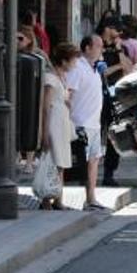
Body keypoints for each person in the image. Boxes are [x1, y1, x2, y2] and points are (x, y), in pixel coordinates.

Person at [67, 34, 107, 210]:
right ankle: (55, 197)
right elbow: (69, 94)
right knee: (79, 164)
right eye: (98, 46)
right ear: (87, 48)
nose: (101, 49)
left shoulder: (94, 69)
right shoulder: (78, 68)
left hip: (94, 123)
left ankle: (91, 198)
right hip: (81, 123)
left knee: (94, 160)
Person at [36, 43, 79, 210]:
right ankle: (47, 198)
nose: (75, 64)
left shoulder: (62, 78)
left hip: (62, 122)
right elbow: (45, 107)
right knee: (52, 161)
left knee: (61, 162)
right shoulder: (51, 79)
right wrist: (44, 132)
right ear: (63, 61)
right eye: (73, 60)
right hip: (54, 123)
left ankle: (58, 198)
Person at [98, 17, 132, 186]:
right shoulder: (96, 45)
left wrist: (119, 51)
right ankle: (86, 170)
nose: (119, 33)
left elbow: (129, 69)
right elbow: (101, 73)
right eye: (116, 29)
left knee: (114, 133)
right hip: (97, 94)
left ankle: (109, 173)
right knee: (96, 132)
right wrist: (118, 67)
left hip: (115, 95)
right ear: (107, 28)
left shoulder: (120, 48)